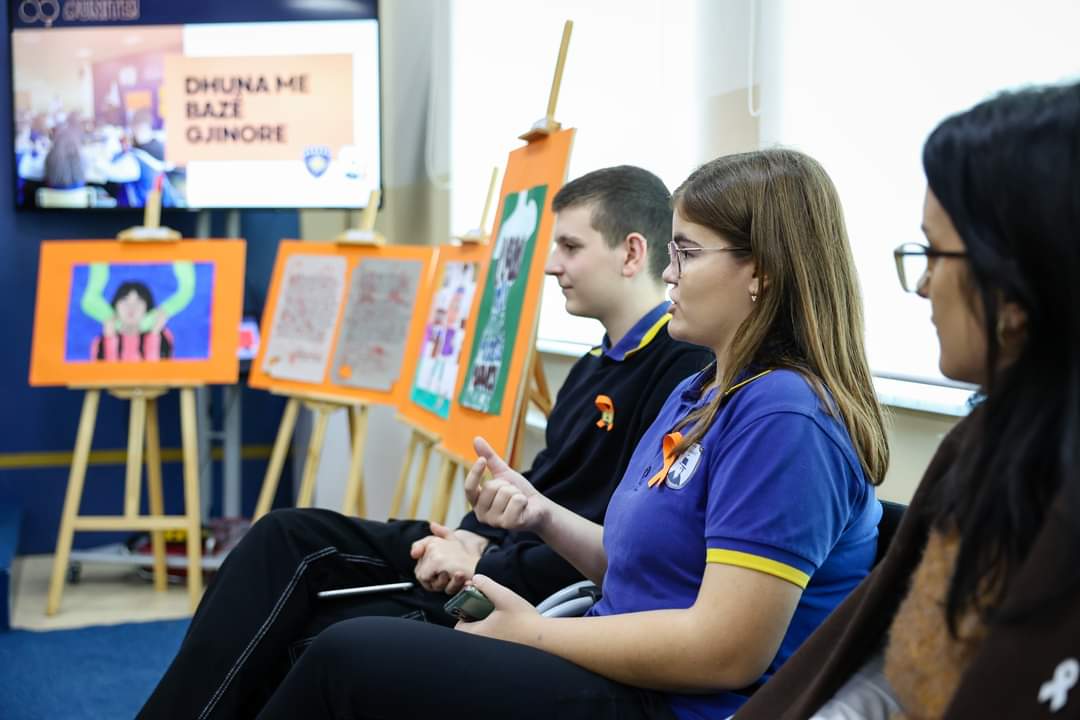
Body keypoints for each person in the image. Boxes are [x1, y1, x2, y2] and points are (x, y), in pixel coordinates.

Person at [242, 148, 890, 719]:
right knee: (337, 629)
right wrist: (542, 515)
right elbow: (639, 565)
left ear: (762, 272)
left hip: (674, 705)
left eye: (687, 253)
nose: (668, 273)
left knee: (350, 656)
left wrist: (534, 634)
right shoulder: (703, 391)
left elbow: (727, 652)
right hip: (619, 669)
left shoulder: (785, 418)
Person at [138, 165, 713, 719]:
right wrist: (470, 532)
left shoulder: (681, 369)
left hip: (536, 583)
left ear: (631, 253)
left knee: (316, 629)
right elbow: (542, 484)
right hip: (501, 552)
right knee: (283, 536)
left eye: (570, 247)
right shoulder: (593, 364)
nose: (550, 265)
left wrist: (482, 558)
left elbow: (616, 540)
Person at [735, 82, 1080, 719]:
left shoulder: (789, 411)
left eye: (935, 252)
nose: (922, 284)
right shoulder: (990, 439)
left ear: (1016, 280)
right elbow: (888, 680)